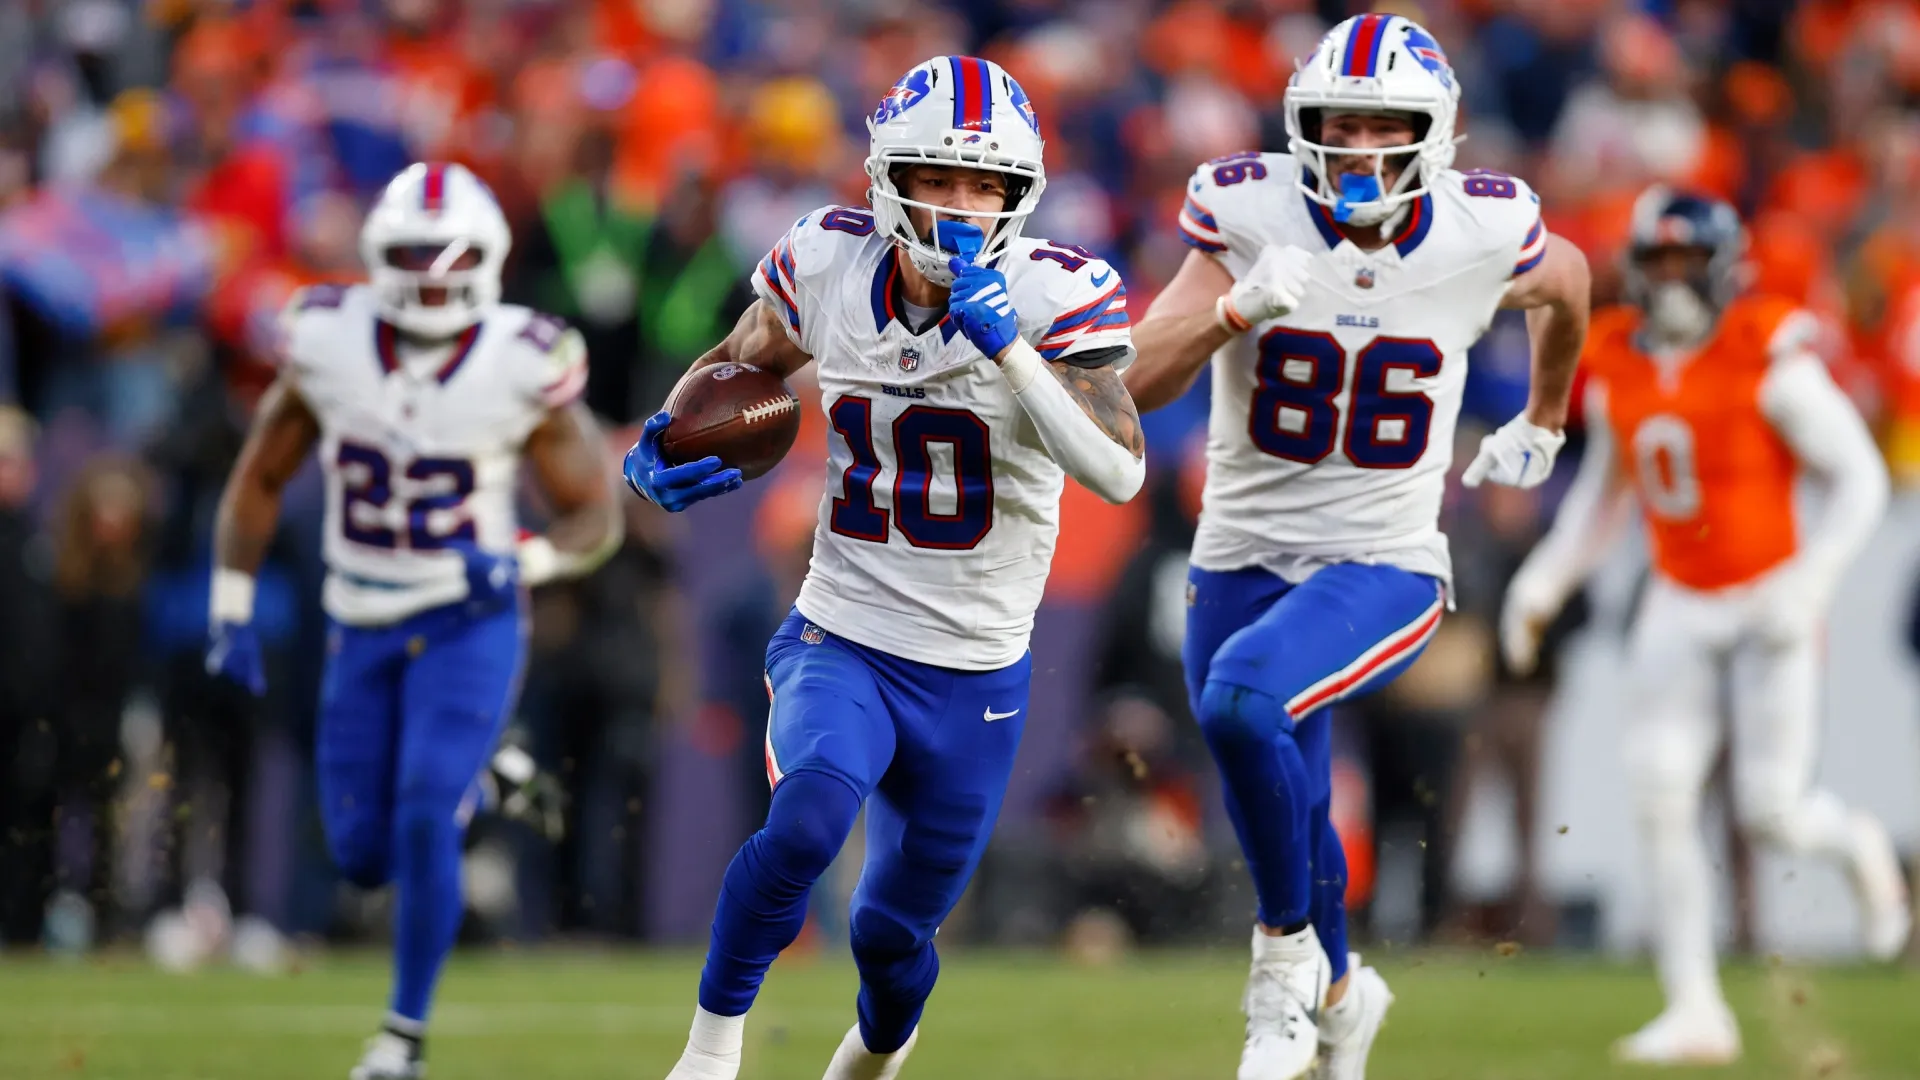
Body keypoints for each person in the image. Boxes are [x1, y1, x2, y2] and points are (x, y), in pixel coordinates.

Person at [623, 55, 1145, 1080]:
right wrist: (666, 438)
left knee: (892, 940)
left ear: (1018, 194)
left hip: (977, 671)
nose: (959, 206)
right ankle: (708, 1053)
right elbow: (742, 360)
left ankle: (875, 1052)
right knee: (809, 817)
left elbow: (1118, 471)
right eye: (938, 179)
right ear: (888, 179)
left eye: (983, 184)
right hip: (843, 631)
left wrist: (1009, 350)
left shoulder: (1057, 293)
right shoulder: (824, 263)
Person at [1125, 15, 1592, 1080]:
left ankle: (1281, 975)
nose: (1362, 145)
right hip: (1239, 550)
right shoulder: (1249, 212)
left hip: (1382, 558)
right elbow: (1137, 381)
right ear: (1305, 126)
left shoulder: (1481, 230)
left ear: (1434, 135)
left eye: (1388, 125)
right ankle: (1345, 994)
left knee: (1244, 700)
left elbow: (1566, 285)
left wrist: (1547, 418)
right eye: (1342, 122)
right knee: (1281, 786)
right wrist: (1233, 308)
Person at [204, 162, 622, 1080]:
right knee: (360, 856)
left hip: (471, 619)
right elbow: (262, 476)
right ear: (377, 259)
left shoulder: (524, 354)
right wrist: (229, 604)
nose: (431, 276)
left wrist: (523, 560)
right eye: (412, 256)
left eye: (450, 257)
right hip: (360, 617)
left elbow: (596, 519)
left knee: (427, 811)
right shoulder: (327, 338)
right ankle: (493, 766)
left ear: (488, 259)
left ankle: (402, 1040)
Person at [1502, 187, 1908, 1065]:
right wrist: (1543, 581)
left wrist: (1812, 582)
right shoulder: (1618, 358)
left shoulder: (1769, 352)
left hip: (1770, 595)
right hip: (1679, 595)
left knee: (1774, 814)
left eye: (1689, 261)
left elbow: (1861, 480)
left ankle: (1860, 844)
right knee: (1659, 790)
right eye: (1658, 262)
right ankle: (1695, 1007)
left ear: (1725, 267)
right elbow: (1600, 501)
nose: (1673, 280)